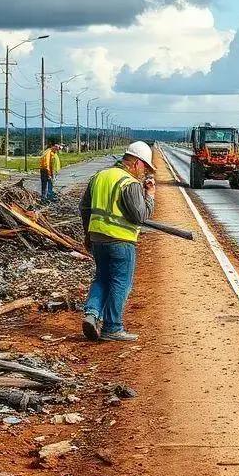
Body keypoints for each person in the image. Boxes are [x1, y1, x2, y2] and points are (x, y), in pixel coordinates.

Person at [80, 141, 156, 342]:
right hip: (121, 240)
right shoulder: (128, 183)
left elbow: (84, 208)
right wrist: (149, 196)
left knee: (102, 278)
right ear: (137, 163)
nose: (144, 172)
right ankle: (112, 327)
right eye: (145, 167)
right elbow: (140, 216)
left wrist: (88, 234)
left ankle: (92, 314)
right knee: (121, 282)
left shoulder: (99, 176)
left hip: (98, 238)